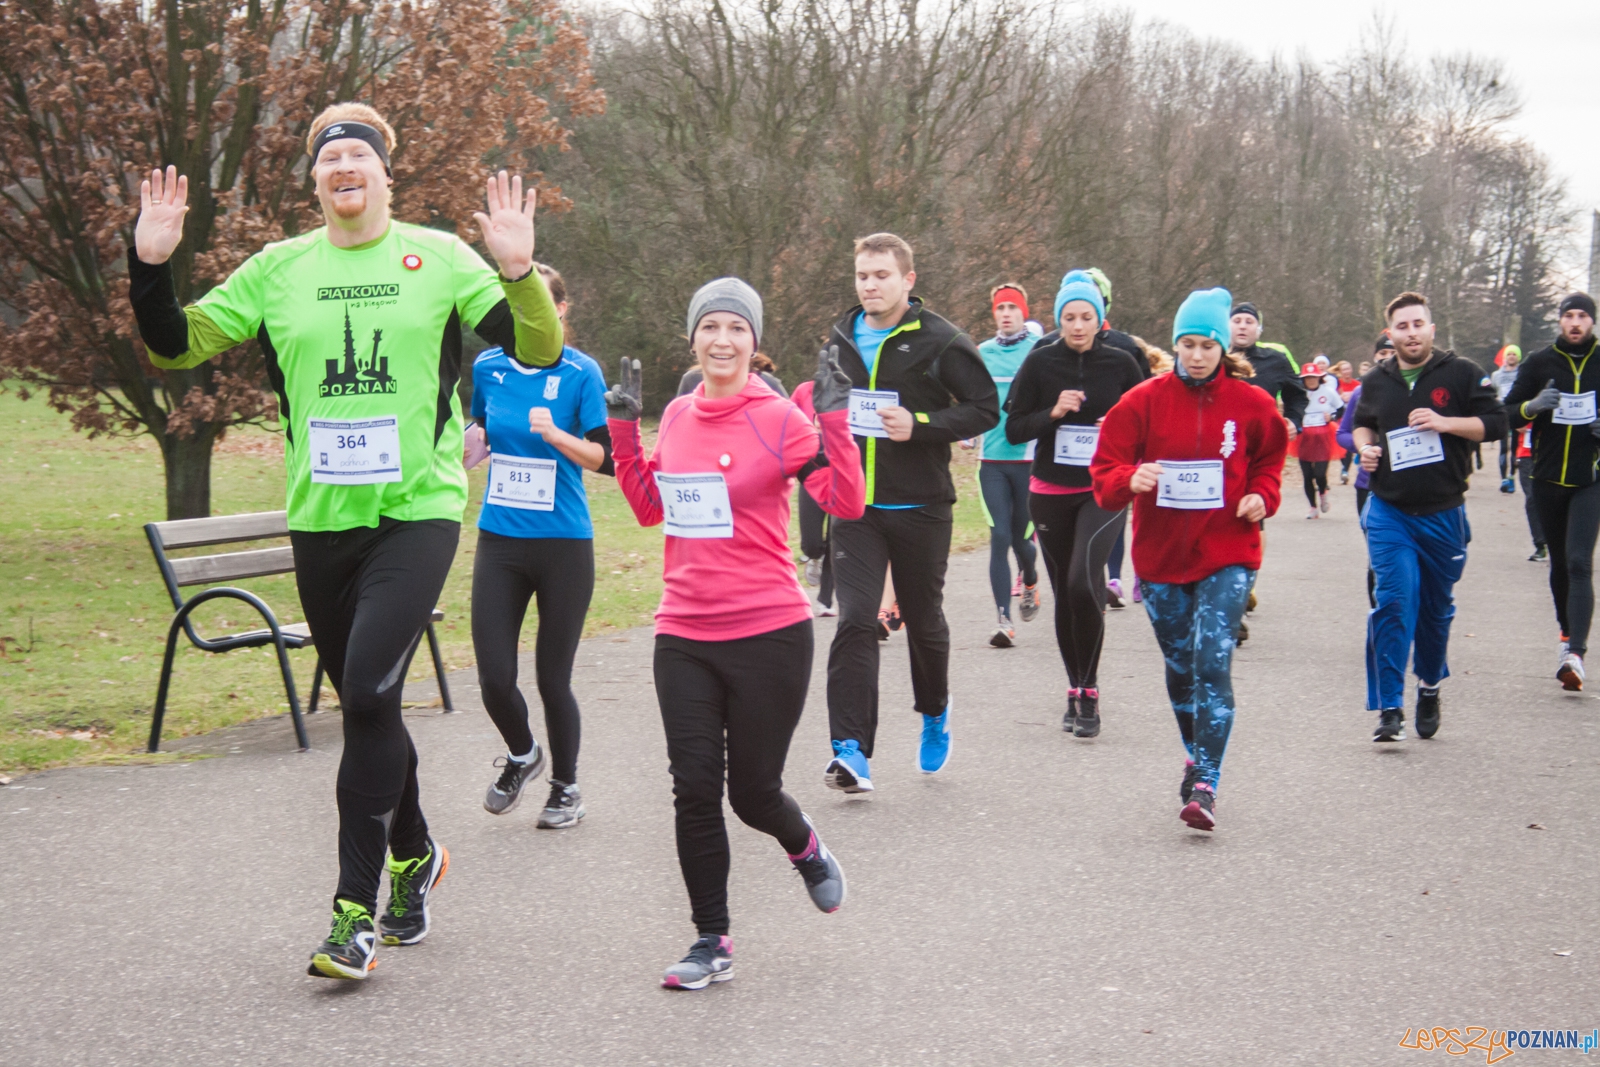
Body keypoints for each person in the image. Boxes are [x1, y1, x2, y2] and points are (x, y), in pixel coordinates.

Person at [126, 104, 564, 979]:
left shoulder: (438, 256)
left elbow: (539, 348)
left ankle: (352, 915)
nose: (346, 165)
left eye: (362, 152)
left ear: (386, 176)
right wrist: (150, 266)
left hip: (417, 510)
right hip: (321, 521)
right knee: (370, 704)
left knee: (364, 685)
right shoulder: (280, 268)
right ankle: (417, 852)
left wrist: (518, 273)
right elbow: (176, 349)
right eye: (332, 157)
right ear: (316, 181)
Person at [607, 278, 863, 989]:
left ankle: (803, 843)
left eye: (736, 328)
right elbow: (651, 507)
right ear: (693, 337)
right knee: (693, 787)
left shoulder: (780, 418)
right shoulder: (681, 414)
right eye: (710, 326)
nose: (723, 340)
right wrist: (627, 433)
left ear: (755, 341)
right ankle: (709, 939)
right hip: (683, 631)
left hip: (769, 632)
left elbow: (845, 501)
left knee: (751, 793)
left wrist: (836, 421)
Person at [1090, 287, 1287, 830]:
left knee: (1211, 662)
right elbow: (1104, 475)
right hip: (1159, 561)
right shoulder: (1142, 402)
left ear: (1223, 347)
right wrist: (1131, 477)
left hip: (1228, 552)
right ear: (1174, 346)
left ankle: (1206, 781)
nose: (1196, 355)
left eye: (1206, 344)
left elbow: (1272, 458)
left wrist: (1261, 496)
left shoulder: (1252, 405)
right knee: (1180, 672)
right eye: (1187, 344)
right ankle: (1194, 750)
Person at [821, 233, 999, 791]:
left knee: (924, 622)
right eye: (862, 276)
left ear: (908, 280)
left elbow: (984, 409)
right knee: (855, 620)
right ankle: (850, 749)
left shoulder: (941, 340)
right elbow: (823, 407)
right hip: (854, 506)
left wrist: (919, 427)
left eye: (881, 275)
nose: (870, 285)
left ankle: (935, 709)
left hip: (921, 504)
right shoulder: (838, 341)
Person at [464, 263, 612, 829]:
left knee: (553, 678)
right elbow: (482, 432)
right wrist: (465, 448)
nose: (525, 317)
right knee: (494, 678)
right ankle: (524, 755)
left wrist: (556, 437)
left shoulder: (581, 373)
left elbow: (606, 460)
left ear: (560, 313)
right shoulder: (488, 366)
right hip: (499, 540)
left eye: (539, 308)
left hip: (563, 545)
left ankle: (566, 787)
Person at [1352, 292, 1504, 741]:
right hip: (1389, 510)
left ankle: (1430, 685)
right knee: (1394, 602)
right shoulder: (1377, 381)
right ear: (1391, 333)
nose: (1411, 332)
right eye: (1402, 326)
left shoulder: (1461, 373)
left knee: (1435, 613)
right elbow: (1362, 422)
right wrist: (1365, 449)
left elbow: (1496, 424)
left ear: (1431, 329)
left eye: (1418, 324)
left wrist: (1445, 422)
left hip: (1443, 514)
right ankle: (1390, 709)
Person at [1004, 270, 1144, 736]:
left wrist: (1117, 429)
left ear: (1100, 320)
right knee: (1066, 589)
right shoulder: (1041, 363)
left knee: (1086, 582)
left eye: (1087, 317)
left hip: (1103, 489)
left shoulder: (1123, 364)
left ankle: (1093, 688)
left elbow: (1147, 425)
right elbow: (1015, 428)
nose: (1078, 325)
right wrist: (1054, 412)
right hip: (1049, 491)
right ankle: (1076, 688)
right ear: (1059, 320)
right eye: (1069, 317)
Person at [1505, 293, 1600, 690]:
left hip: (1591, 480)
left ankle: (1575, 653)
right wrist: (1533, 406)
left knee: (1579, 562)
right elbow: (1505, 414)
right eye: (1569, 316)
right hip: (1545, 479)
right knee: (1559, 564)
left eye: (1582, 316)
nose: (1575, 322)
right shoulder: (1539, 362)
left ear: (1592, 322)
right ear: (1560, 321)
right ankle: (1566, 637)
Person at [975, 283, 1042, 647]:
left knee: (1021, 540)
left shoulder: (1038, 351)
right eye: (1000, 308)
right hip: (991, 461)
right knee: (999, 536)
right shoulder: (981, 352)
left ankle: (1030, 579)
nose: (1005, 314)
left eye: (1012, 308)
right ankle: (1003, 618)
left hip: (1029, 461)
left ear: (1023, 313)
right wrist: (967, 428)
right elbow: (972, 396)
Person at [1106, 337, 1173, 606]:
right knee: (1119, 518)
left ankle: (1140, 576)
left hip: (1153, 462)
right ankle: (1115, 579)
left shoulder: (1159, 382)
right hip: (1127, 459)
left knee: (1144, 521)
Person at [1297, 362, 1345, 518]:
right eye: (1307, 378)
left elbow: (1340, 409)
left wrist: (1331, 417)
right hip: (1303, 435)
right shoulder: (1298, 393)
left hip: (1323, 434)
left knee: (1319, 473)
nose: (1311, 380)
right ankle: (1312, 507)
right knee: (1307, 474)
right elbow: (1291, 410)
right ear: (1303, 380)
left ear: (1320, 378)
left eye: (1314, 377)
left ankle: (1323, 492)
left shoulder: (1328, 392)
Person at [1492, 345, 1522, 492]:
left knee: (1515, 447)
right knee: (1504, 447)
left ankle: (1511, 477)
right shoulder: (1497, 375)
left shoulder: (1522, 373)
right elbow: (1492, 393)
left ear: (1518, 357)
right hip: (1503, 413)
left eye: (1514, 354)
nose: (1511, 357)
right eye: (1509, 354)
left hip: (1516, 413)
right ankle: (1503, 479)